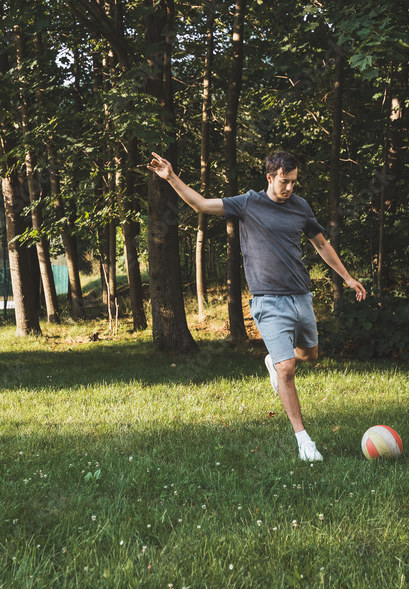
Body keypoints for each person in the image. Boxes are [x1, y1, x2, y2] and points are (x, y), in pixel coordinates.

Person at [148, 150, 366, 461]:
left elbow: (321, 244)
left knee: (310, 355)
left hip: (301, 296)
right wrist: (171, 177)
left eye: (293, 182)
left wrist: (346, 278)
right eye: (284, 181)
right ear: (269, 177)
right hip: (268, 302)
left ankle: (274, 363)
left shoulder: (300, 206)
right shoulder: (248, 203)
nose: (289, 187)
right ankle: (304, 441)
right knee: (287, 368)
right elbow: (201, 204)